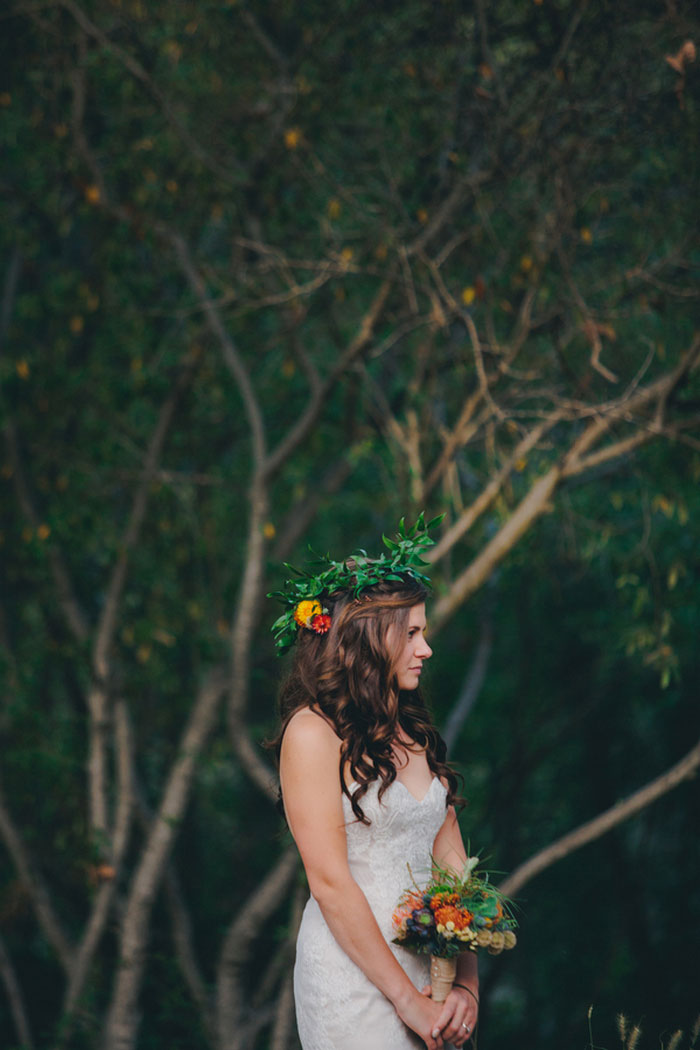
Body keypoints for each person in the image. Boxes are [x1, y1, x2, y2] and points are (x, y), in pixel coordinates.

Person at [269, 519, 479, 1050]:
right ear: (367, 638)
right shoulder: (311, 733)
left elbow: (452, 860)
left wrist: (466, 988)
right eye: (411, 634)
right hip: (353, 981)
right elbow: (330, 882)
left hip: (433, 976)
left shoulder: (413, 727)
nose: (425, 648)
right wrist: (407, 1002)